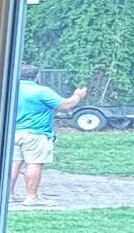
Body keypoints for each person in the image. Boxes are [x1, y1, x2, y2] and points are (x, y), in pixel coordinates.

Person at [11, 66, 86, 204]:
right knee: (33, 164)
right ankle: (31, 198)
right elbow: (65, 104)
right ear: (36, 76)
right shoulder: (41, 91)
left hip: (13, 133)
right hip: (36, 134)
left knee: (13, 164)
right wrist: (78, 96)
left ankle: (8, 195)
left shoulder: (10, 89)